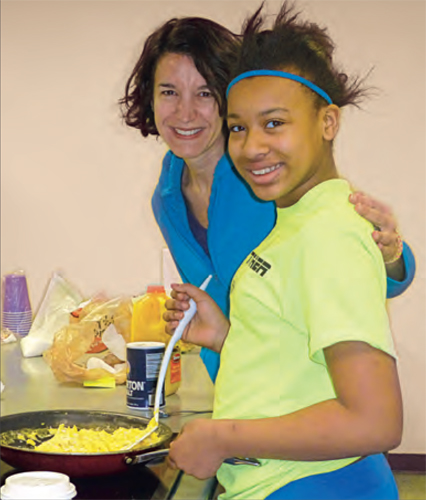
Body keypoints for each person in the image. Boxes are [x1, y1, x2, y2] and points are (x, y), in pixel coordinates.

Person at [163, 3, 404, 499]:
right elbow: (293, 352)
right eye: (239, 127)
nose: (252, 146)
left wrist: (218, 436)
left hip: (315, 484)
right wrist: (229, 335)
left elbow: (376, 420)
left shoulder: (328, 231)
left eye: (274, 123)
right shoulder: (293, 219)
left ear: (327, 123)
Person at [120, 15, 416, 383]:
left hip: (312, 399)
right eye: (169, 92)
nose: (185, 112)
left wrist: (390, 254)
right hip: (242, 396)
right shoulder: (167, 200)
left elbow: (362, 270)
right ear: (150, 97)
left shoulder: (270, 177)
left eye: (205, 93)